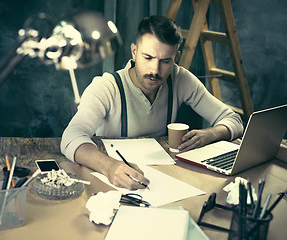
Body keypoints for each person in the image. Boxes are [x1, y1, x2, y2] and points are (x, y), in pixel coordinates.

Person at [61, 15, 243, 190]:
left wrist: (209, 134)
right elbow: (71, 137)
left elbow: (233, 120)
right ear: (134, 51)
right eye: (148, 57)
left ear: (176, 57)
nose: (155, 70)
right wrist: (109, 167)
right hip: (116, 181)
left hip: (164, 180)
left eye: (165, 61)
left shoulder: (180, 79)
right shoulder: (107, 87)